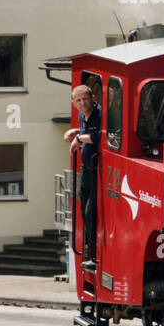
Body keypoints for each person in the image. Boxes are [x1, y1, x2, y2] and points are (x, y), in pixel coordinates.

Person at [63, 84, 101, 269]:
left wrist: (79, 139)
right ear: (73, 102)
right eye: (78, 100)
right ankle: (88, 250)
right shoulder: (81, 115)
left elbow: (98, 136)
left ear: (92, 97)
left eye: (85, 99)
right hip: (85, 170)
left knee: (90, 211)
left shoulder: (99, 114)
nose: (82, 103)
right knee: (82, 210)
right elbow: (87, 133)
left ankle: (93, 253)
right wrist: (76, 132)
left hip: (96, 170)